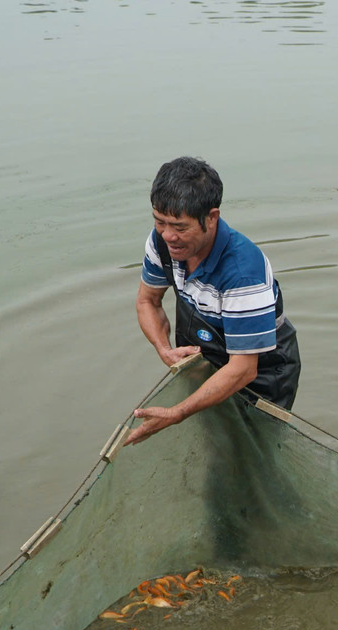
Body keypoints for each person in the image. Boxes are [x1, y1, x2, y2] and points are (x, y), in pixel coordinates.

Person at [126, 157, 301, 445]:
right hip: (206, 355)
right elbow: (148, 302)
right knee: (211, 443)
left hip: (261, 372)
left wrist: (177, 412)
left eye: (180, 227)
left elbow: (244, 368)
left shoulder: (243, 273)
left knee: (255, 453)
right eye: (160, 222)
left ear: (212, 217)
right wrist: (164, 349)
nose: (169, 235)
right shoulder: (162, 244)